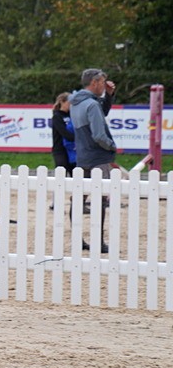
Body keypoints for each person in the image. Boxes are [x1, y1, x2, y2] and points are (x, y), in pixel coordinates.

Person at [70, 67, 117, 251]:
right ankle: (98, 241)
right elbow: (98, 134)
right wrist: (112, 146)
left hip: (82, 155)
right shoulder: (91, 104)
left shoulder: (76, 102)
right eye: (103, 83)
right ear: (95, 82)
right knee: (100, 199)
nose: (104, 87)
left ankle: (77, 239)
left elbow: (100, 112)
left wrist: (109, 96)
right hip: (98, 156)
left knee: (79, 198)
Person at [50, 92, 76, 174]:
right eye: (69, 102)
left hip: (72, 149)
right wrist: (79, 139)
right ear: (62, 102)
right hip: (60, 149)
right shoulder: (57, 116)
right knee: (61, 175)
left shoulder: (73, 115)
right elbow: (64, 133)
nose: (71, 105)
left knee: (76, 175)